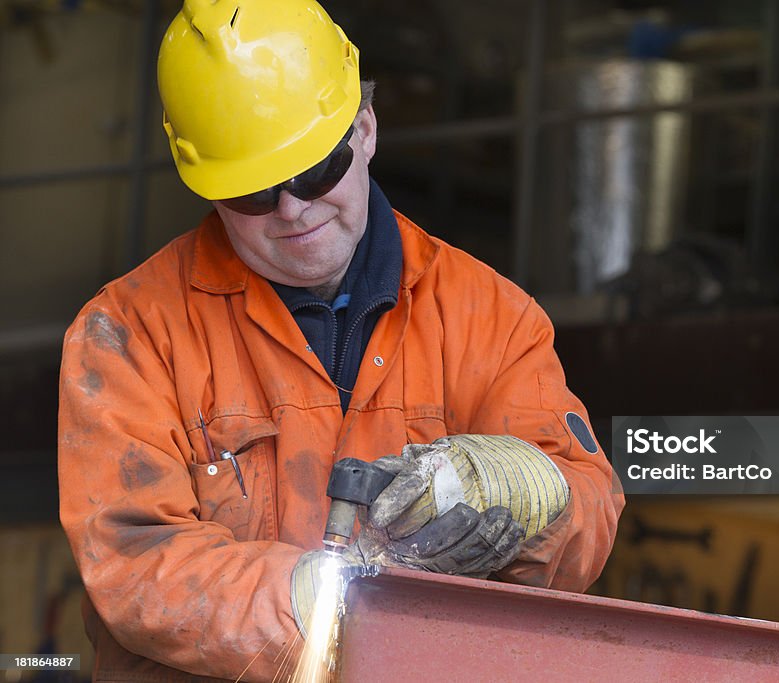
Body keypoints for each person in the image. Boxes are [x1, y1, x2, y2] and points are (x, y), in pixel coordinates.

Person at [57, 0, 624, 680]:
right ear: (205, 187)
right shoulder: (128, 336)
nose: (293, 209)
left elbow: (589, 511)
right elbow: (134, 561)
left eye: (315, 170)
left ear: (365, 128)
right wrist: (313, 602)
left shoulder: (490, 318)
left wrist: (531, 492)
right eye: (253, 193)